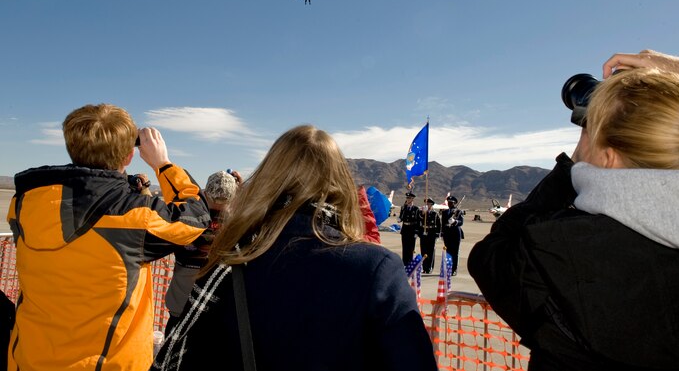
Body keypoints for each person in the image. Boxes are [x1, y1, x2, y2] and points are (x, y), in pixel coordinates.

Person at [468, 55, 679, 370]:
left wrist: (572, 164)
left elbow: (490, 256)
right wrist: (674, 82)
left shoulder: (559, 251)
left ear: (609, 158)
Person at [151, 125, 438, 371]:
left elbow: (181, 355)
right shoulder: (377, 269)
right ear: (339, 184)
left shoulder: (230, 258)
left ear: (267, 178)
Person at [6, 103, 211, 371]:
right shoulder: (135, 217)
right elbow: (195, 217)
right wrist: (163, 163)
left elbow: (84, 204)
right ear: (129, 156)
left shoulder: (24, 203)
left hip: (29, 359)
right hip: (107, 364)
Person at [164, 170, 240, 336]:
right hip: (212, 303)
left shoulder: (187, 215)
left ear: (206, 193)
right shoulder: (235, 223)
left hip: (180, 300)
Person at [440, 195, 463, 275]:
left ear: (454, 203)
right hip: (447, 233)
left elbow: (461, 222)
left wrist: (455, 221)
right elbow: (442, 224)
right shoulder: (445, 212)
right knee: (448, 252)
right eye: (449, 202)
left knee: (455, 252)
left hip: (455, 233)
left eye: (451, 203)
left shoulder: (458, 211)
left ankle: (454, 269)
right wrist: (442, 234)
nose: (450, 204)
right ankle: (448, 268)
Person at [418, 198, 441, 274]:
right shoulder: (422, 213)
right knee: (423, 251)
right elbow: (419, 221)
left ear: (431, 205)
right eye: (426, 204)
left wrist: (437, 234)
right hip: (424, 233)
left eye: (429, 204)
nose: (427, 205)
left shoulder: (435, 214)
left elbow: (439, 225)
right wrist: (423, 213)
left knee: (430, 251)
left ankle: (429, 267)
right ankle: (424, 267)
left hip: (431, 233)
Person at [398, 191, 420, 265]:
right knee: (405, 246)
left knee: (410, 247)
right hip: (405, 229)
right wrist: (400, 219)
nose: (408, 199)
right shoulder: (404, 207)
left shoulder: (416, 209)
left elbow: (418, 221)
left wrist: (417, 232)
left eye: (409, 198)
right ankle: (404, 262)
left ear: (412, 199)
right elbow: (401, 216)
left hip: (412, 229)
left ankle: (410, 262)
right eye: (407, 198)